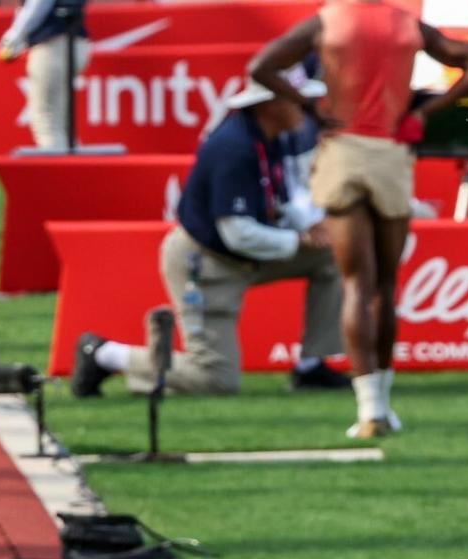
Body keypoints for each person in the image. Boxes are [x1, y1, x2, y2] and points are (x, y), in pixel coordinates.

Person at [251, 1, 468, 438]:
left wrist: (310, 105)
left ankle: (369, 409)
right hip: (390, 153)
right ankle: (384, 403)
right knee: (385, 285)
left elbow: (262, 66)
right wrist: (422, 113)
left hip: (343, 151)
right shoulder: (406, 24)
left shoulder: (330, 20)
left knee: (356, 283)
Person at [71, 74, 350, 399]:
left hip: (248, 254)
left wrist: (309, 225)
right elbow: (237, 233)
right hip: (207, 265)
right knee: (216, 380)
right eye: (300, 101)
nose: (308, 109)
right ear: (271, 105)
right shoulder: (233, 148)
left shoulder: (272, 135)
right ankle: (104, 354)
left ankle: (311, 367)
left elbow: (281, 195)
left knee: (335, 253)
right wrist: (299, 240)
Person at [0, 0, 88, 151]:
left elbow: (37, 6)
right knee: (63, 124)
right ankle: (79, 171)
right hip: (76, 41)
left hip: (53, 45)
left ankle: (60, 172)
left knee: (47, 119)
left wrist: (13, 38)